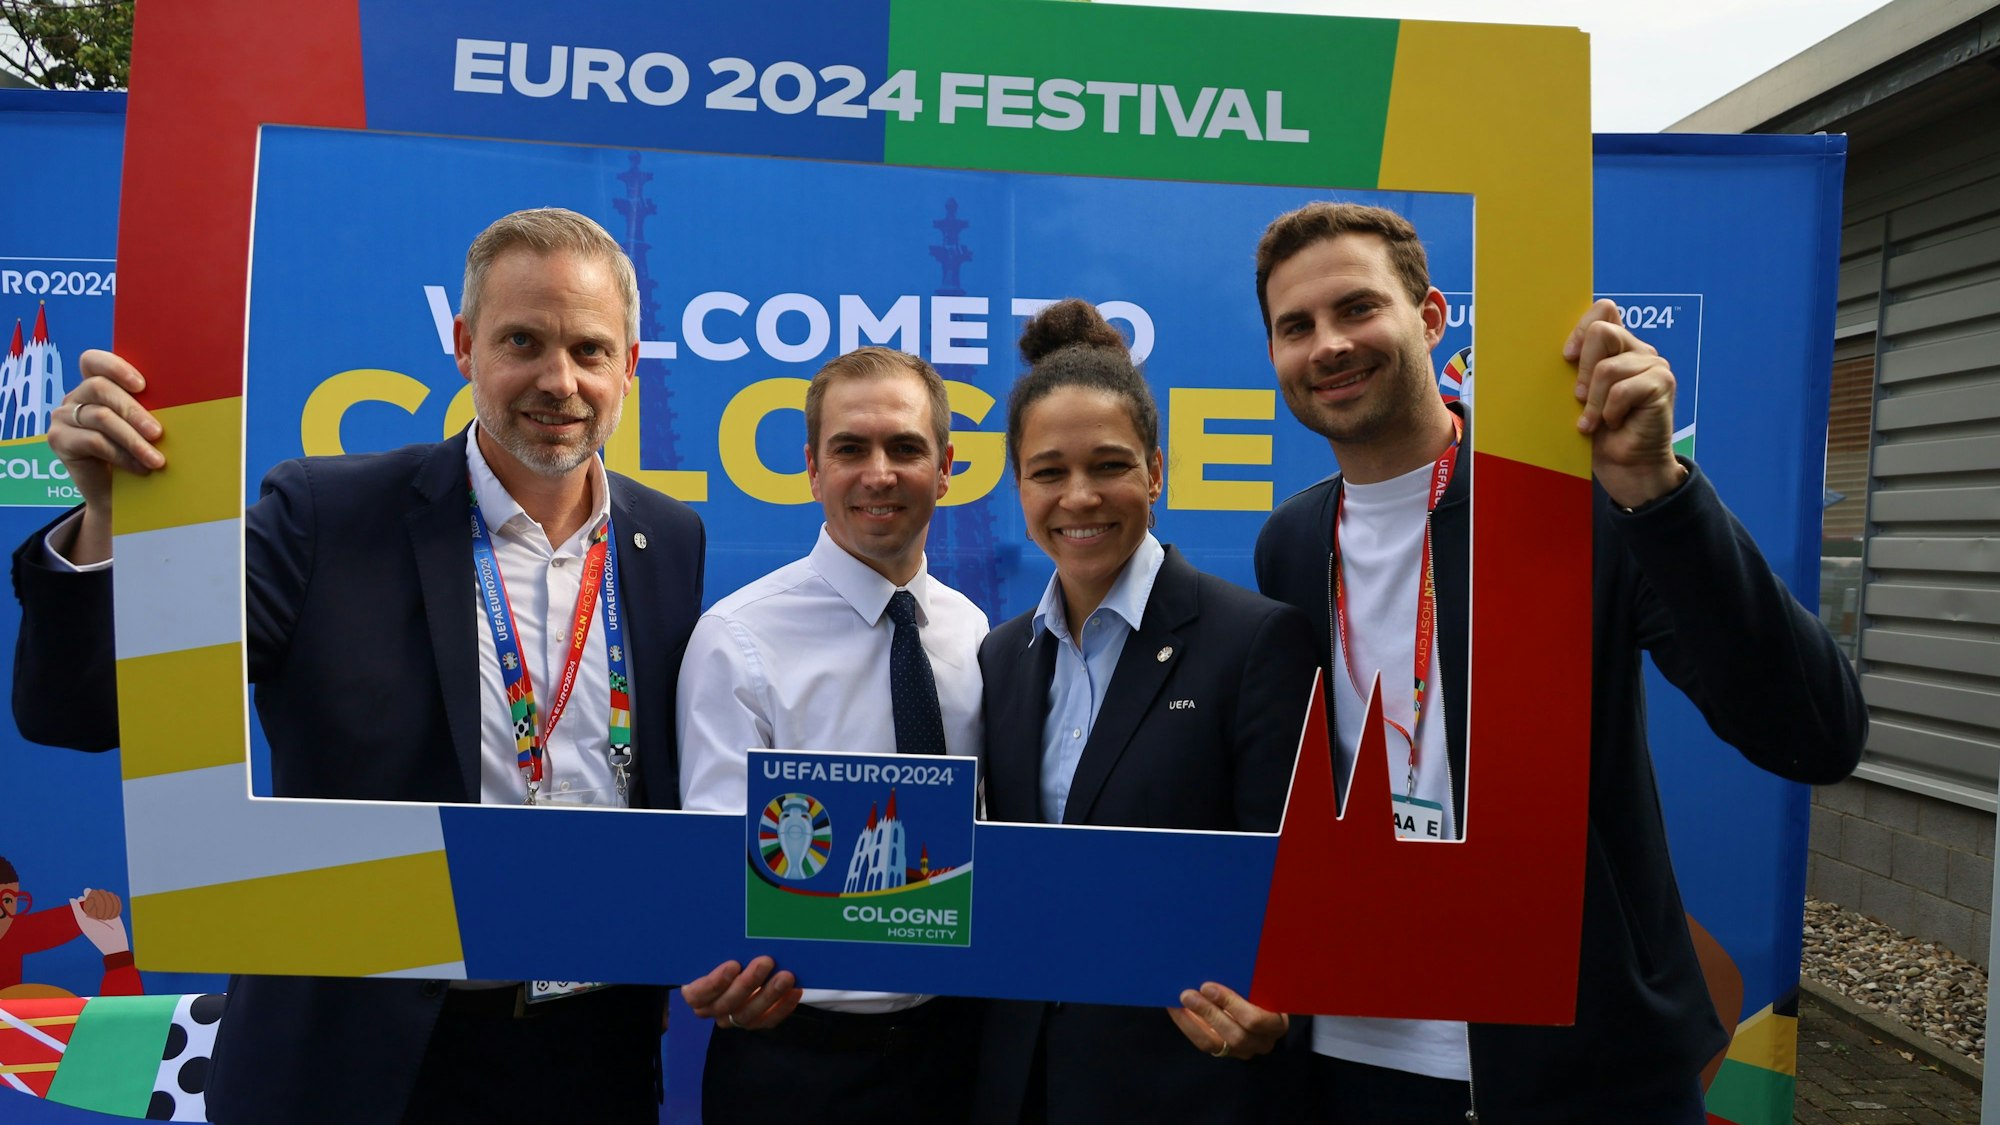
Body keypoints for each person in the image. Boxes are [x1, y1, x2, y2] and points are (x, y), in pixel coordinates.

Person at [11, 208, 706, 1123]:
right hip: (353, 1057)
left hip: (587, 1053)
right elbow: (86, 708)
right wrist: (107, 519)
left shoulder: (670, 540)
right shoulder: (323, 516)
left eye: (588, 348)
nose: (559, 379)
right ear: (464, 346)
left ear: (629, 363)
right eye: (522, 341)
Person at [1241, 201, 1867, 1121]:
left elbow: (1817, 734)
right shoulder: (1290, 543)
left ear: (1430, 317)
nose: (1328, 344)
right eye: (1296, 326)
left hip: (1586, 1067)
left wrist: (1657, 492)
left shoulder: (1576, 507)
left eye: (1357, 308)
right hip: (1358, 1060)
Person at [971, 300, 1316, 1124]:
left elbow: (1294, 883)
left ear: (1156, 472)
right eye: (1049, 470)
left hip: (1186, 1083)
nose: (1079, 496)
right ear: (1018, 482)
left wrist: (1281, 1005)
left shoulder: (1255, 640)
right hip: (1024, 1086)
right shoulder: (1002, 656)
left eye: (1110, 465)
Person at [675, 346, 987, 1123]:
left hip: (960, 1052)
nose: (879, 473)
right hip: (793, 1060)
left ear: (946, 466)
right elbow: (719, 871)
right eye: (850, 448)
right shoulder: (737, 638)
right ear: (812, 467)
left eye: (906, 448)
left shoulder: (977, 635)